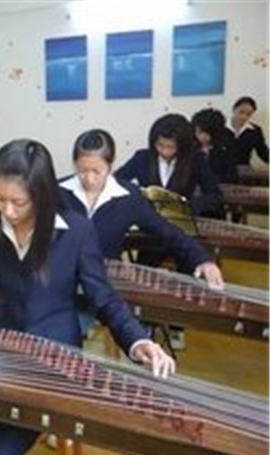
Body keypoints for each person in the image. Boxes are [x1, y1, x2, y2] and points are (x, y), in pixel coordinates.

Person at [0, 139, 175, 455]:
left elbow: (104, 298)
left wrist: (139, 342)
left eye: (18, 202)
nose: (8, 211)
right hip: (3, 346)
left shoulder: (76, 231)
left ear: (42, 196)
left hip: (55, 355)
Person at [60, 129, 225, 346]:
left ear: (110, 165)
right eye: (82, 170)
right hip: (58, 282)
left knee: (69, 334)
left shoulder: (128, 197)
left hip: (99, 284)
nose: (89, 179)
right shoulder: (57, 191)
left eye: (97, 171)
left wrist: (202, 259)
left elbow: (167, 231)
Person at [115, 113, 222, 216]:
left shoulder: (195, 160)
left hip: (180, 221)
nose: (165, 152)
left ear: (182, 146)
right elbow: (117, 181)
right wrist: (136, 195)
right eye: (160, 145)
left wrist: (189, 207)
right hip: (146, 220)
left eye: (171, 147)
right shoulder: (142, 158)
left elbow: (214, 195)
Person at [192, 108, 238, 184]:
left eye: (207, 133)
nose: (202, 137)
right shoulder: (191, 148)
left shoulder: (224, 150)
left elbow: (232, 176)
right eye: (199, 132)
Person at [227, 96, 269, 167]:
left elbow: (263, 153)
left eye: (248, 114)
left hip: (243, 169)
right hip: (221, 169)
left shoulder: (255, 131)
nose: (244, 117)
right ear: (234, 109)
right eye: (241, 112)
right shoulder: (220, 127)